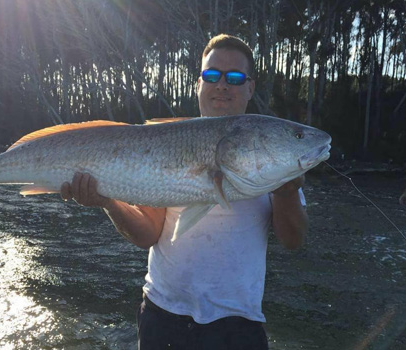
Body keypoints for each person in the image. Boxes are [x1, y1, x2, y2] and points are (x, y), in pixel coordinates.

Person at [61, 34, 308, 350]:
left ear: (250, 88)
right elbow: (148, 234)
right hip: (163, 319)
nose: (222, 85)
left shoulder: (270, 150)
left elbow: (293, 240)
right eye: (211, 75)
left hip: (239, 325)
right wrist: (107, 201)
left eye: (234, 77)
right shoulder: (168, 141)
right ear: (198, 83)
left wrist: (287, 192)